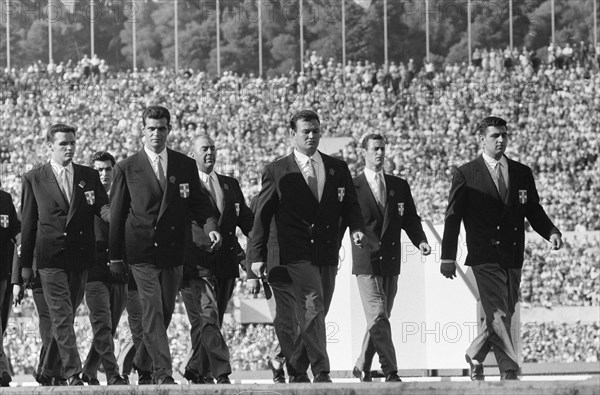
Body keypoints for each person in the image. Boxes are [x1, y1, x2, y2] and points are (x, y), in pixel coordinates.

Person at [247, 110, 366, 383]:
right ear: (293, 135)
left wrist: (357, 229)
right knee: (312, 307)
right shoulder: (276, 171)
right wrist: (256, 257)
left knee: (316, 312)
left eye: (315, 131)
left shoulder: (338, 168)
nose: (311, 136)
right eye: (305, 132)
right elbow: (261, 216)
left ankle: (292, 366)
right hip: (294, 253)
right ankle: (321, 370)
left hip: (326, 251)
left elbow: (350, 206)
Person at [440, 116, 563, 381]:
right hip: (484, 256)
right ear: (481, 138)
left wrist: (551, 231)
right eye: (495, 135)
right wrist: (448, 256)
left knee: (503, 314)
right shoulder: (466, 173)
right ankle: (509, 369)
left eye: (504, 135)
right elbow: (453, 217)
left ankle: (475, 353)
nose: (500, 140)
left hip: (512, 255)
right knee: (498, 313)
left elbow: (533, 210)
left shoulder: (521, 172)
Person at [109, 106, 222, 385]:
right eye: (151, 128)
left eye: (161, 128)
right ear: (142, 130)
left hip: (173, 252)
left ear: (169, 130)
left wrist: (211, 228)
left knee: (166, 312)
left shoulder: (184, 165)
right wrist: (115, 257)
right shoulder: (127, 167)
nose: (156, 133)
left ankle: (141, 363)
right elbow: (117, 215)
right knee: (153, 311)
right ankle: (163, 372)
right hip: (141, 252)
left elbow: (199, 203)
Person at [20, 124, 110, 386]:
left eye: (72, 142)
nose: (69, 147)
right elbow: (28, 224)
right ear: (50, 146)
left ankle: (47, 370)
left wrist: (112, 215)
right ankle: (72, 372)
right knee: (60, 314)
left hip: (80, 257)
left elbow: (102, 207)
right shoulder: (34, 178)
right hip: (50, 258)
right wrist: (26, 266)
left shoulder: (89, 175)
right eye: (63, 144)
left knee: (66, 316)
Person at [351, 134, 431, 383]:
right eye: (375, 149)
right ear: (362, 152)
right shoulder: (352, 187)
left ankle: (362, 364)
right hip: (366, 262)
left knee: (381, 316)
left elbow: (410, 219)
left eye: (383, 149)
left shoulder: (399, 185)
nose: (380, 153)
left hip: (391, 261)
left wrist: (421, 241)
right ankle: (390, 370)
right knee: (378, 315)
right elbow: (342, 221)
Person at [180, 135, 253, 385]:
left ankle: (194, 369)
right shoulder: (184, 187)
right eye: (204, 149)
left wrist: (259, 248)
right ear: (193, 155)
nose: (209, 152)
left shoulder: (230, 184)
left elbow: (246, 220)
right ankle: (221, 371)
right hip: (196, 264)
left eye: (212, 148)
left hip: (226, 264)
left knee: (212, 321)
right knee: (208, 317)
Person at [82, 152, 128, 385]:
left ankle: (89, 371)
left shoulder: (124, 197)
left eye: (108, 169)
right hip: (93, 271)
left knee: (108, 329)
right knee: (102, 324)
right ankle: (112, 374)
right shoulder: (83, 198)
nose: (104, 174)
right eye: (98, 170)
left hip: (119, 272)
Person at [247, 192, 299, 383]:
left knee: (303, 324)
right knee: (285, 323)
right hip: (274, 268)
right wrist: (251, 274)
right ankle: (296, 371)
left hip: (300, 267)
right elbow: (253, 237)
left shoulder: (300, 193)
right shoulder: (260, 200)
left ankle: (277, 358)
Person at [0, 188, 20, 387]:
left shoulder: (5, 199)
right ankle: (2, 370)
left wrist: (16, 282)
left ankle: (2, 371)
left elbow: (15, 229)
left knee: (2, 324)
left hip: (3, 274)